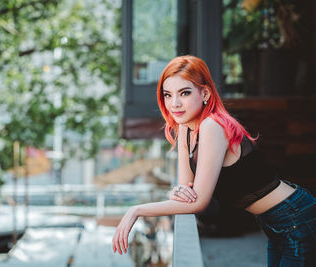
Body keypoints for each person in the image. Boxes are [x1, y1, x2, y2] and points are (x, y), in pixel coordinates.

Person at [112, 55, 316, 266]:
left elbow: (199, 202)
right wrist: (176, 192)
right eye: (167, 95)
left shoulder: (212, 126)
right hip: (274, 223)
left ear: (205, 93)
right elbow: (186, 189)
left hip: (295, 217)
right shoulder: (185, 129)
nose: (175, 103)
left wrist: (136, 210)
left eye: (184, 93)